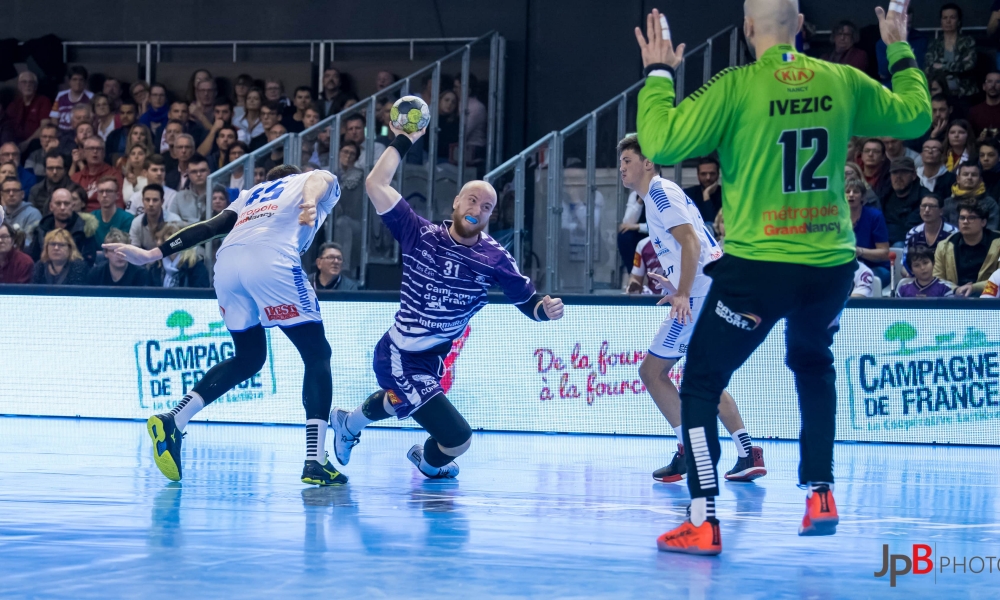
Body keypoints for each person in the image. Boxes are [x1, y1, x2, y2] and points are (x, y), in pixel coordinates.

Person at [634, 1, 930, 554]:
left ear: (747, 29)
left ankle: (703, 519)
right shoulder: (842, 80)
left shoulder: (736, 86)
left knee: (699, 381)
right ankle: (821, 492)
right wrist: (899, 47)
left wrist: (658, 74)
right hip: (831, 268)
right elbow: (916, 118)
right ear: (800, 26)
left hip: (759, 268)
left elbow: (661, 142)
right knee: (813, 362)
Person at [328, 123, 564, 482]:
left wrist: (545, 312)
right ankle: (422, 458)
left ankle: (351, 423)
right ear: (456, 202)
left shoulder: (496, 258)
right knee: (457, 438)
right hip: (398, 355)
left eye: (486, 206)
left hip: (431, 361)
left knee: (401, 401)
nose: (477, 208)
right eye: (472, 200)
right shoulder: (420, 233)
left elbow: (529, 303)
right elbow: (376, 184)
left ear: (490, 216)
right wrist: (405, 138)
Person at [104, 164, 347, 486]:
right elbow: (320, 178)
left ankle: (174, 420)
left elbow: (208, 227)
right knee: (316, 355)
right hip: (272, 260)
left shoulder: (251, 195)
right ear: (292, 177)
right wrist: (309, 202)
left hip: (228, 266)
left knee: (249, 358)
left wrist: (153, 253)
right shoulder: (305, 182)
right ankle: (316, 460)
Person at [618, 134, 766, 485]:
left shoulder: (658, 193)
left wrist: (683, 292)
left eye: (627, 160)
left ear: (648, 162)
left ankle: (692, 452)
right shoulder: (660, 194)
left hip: (700, 294)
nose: (622, 167)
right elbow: (694, 244)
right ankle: (746, 452)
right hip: (707, 288)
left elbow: (691, 240)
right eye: (621, 162)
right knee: (701, 376)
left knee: (654, 373)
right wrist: (676, 282)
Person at [934, 201, 1000, 297]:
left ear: (983, 222)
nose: (965, 222)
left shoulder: (997, 244)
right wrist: (956, 289)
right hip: (954, 298)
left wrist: (974, 287)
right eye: (962, 218)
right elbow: (937, 278)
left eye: (971, 218)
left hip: (990, 299)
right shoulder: (944, 246)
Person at [924, 4, 979, 100]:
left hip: (965, 95)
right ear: (941, 21)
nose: (948, 21)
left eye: (952, 17)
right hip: (940, 96)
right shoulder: (934, 44)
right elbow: (929, 68)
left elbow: (969, 65)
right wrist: (957, 66)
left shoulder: (968, 42)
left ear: (959, 21)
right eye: (945, 18)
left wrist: (942, 66)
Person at [31, 188, 98, 264]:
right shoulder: (41, 229)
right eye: (58, 203)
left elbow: (89, 261)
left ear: (72, 206)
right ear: (51, 207)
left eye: (66, 203)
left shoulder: (85, 229)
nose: (62, 208)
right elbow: (34, 258)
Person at [848, 178, 891, 285]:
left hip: (876, 267)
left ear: (862, 196)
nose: (851, 194)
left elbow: (885, 253)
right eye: (847, 191)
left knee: (858, 279)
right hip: (847, 267)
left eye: (856, 192)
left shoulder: (874, 216)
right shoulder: (836, 218)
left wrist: (859, 251)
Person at [902, 192, 956, 275]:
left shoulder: (953, 233)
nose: (927, 210)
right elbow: (904, 266)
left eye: (932, 206)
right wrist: (909, 274)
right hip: (918, 278)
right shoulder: (912, 233)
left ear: (941, 211)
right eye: (924, 206)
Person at [147, 223, 210, 287]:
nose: (174, 238)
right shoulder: (155, 268)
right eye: (170, 234)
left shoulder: (197, 267)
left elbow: (200, 295)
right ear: (163, 240)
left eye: (177, 235)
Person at [942, 163, 1000, 230]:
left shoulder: (990, 203)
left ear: (980, 180)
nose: (969, 177)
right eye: (965, 174)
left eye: (974, 175)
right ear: (958, 179)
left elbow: (992, 229)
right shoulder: (947, 203)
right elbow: (943, 227)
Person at [881, 156, 923, 245]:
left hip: (912, 244)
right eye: (895, 172)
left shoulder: (924, 198)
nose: (898, 177)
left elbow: (910, 230)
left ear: (914, 176)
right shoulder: (885, 195)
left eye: (904, 172)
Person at [7, 71, 52, 148]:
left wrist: (27, 142)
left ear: (36, 86)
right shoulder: (14, 104)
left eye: (31, 82)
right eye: (24, 82)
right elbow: (6, 125)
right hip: (15, 142)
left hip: (34, 142)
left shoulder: (43, 101)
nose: (28, 85)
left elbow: (45, 125)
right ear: (19, 86)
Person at [129, 183, 181, 250]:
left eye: (155, 200)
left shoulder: (174, 220)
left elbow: (178, 249)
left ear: (162, 202)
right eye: (147, 200)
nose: (150, 204)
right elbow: (134, 250)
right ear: (142, 201)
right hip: (145, 259)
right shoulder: (137, 222)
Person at [29, 150, 79, 214]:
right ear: (44, 170)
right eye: (50, 168)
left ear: (65, 170)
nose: (54, 172)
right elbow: (32, 215)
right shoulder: (35, 190)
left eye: (58, 168)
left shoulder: (75, 190)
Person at [50, 66, 94, 135]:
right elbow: (54, 118)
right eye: (74, 79)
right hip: (61, 134)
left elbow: (93, 119)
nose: (78, 82)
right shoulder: (60, 95)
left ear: (85, 81)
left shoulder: (91, 97)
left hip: (80, 134)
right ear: (69, 81)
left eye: (81, 80)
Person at [90, 176, 133, 245]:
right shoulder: (91, 217)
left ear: (117, 195)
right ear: (97, 196)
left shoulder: (127, 219)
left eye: (109, 191)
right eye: (101, 191)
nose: (104, 195)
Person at [169, 154, 209, 225]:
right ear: (187, 173)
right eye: (194, 172)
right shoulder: (179, 197)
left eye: (202, 170)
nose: (199, 174)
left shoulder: (219, 193)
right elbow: (171, 222)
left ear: (209, 171)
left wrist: (185, 224)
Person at [682, 157, 723, 225]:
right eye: (703, 174)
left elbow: (712, 224)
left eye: (712, 174)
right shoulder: (688, 194)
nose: (708, 178)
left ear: (718, 174)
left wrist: (706, 196)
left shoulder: (724, 195)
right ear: (698, 175)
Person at [1, 175, 41, 240]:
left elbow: (29, 243)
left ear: (22, 194)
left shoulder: (33, 214)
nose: (11, 194)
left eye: (15, 190)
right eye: (7, 191)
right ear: (2, 195)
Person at [969, 72, 1000, 140]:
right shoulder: (974, 112)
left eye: (998, 82)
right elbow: (970, 139)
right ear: (984, 86)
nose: (993, 85)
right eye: (989, 81)